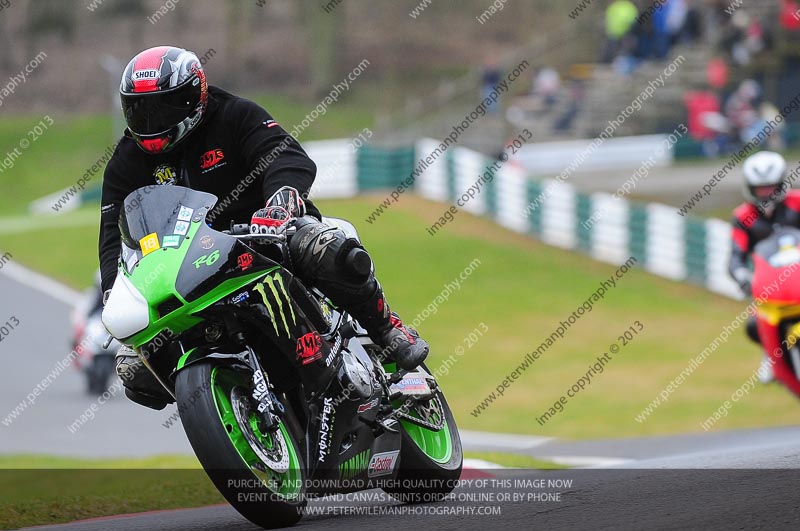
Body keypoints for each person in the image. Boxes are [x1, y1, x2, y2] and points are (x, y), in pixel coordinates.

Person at [99, 46, 428, 409]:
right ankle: (224, 401)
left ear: (193, 96)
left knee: (319, 246)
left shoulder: (234, 114)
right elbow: (113, 232)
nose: (150, 123)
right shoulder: (127, 160)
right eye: (138, 111)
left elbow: (284, 155)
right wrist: (115, 290)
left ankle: (387, 329)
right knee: (134, 365)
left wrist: (281, 202)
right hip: (190, 266)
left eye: (161, 109)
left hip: (266, 236)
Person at [729, 151, 798, 383]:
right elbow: (735, 257)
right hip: (769, 289)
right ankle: (773, 354)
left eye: (771, 187)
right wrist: (742, 277)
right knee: (753, 326)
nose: (766, 193)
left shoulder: (797, 204)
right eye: (761, 189)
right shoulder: (743, 217)